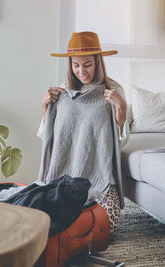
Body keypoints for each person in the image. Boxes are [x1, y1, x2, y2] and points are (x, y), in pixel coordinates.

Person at [37, 31, 129, 239]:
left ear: (98, 62)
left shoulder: (114, 91)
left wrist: (121, 108)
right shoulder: (62, 92)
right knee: (47, 224)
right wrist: (44, 105)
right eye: (75, 65)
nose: (81, 71)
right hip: (66, 176)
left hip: (100, 176)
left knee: (109, 231)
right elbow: (49, 136)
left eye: (87, 64)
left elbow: (121, 141)